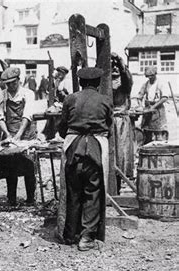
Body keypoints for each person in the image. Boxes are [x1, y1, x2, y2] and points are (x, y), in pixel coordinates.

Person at [58, 67, 113, 251]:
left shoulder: (70, 99)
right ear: (98, 84)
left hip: (73, 148)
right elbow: (109, 127)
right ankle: (87, 236)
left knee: (73, 191)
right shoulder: (105, 100)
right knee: (93, 191)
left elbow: (62, 127)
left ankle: (70, 234)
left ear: (80, 82)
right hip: (95, 150)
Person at [0, 67, 38, 206]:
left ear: (19, 80)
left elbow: (27, 115)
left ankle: (30, 199)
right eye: (8, 84)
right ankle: (11, 199)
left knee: (28, 167)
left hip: (26, 134)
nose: (11, 86)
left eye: (13, 83)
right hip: (10, 132)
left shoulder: (28, 94)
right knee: (10, 168)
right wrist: (8, 134)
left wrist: (19, 135)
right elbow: (0, 116)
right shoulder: (1, 95)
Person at [111, 52, 135, 193]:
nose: (114, 69)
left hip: (120, 122)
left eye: (116, 67)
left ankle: (118, 187)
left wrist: (119, 60)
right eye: (112, 66)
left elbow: (127, 76)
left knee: (121, 154)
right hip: (109, 121)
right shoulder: (106, 81)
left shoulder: (125, 82)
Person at [134, 66, 169, 144]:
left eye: (151, 76)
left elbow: (164, 98)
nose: (150, 78)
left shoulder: (161, 83)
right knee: (146, 135)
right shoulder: (145, 84)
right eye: (148, 77)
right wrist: (140, 106)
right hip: (147, 112)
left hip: (158, 111)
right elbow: (139, 97)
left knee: (159, 135)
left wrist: (153, 107)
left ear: (155, 74)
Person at [42, 66, 70, 140]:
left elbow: (70, 95)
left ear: (64, 74)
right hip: (58, 102)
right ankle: (50, 133)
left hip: (65, 103)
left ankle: (57, 134)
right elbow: (51, 90)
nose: (59, 75)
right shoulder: (57, 81)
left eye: (61, 73)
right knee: (50, 114)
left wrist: (64, 94)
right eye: (59, 73)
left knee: (59, 118)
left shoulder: (67, 82)